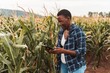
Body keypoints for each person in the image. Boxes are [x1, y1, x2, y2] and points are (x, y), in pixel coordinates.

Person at [48, 9, 86, 73]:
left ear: (68, 18)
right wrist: (54, 51)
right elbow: (59, 47)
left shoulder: (78, 31)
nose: (59, 24)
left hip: (75, 66)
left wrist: (63, 51)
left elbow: (82, 51)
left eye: (61, 21)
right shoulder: (61, 32)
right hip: (63, 64)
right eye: (58, 22)